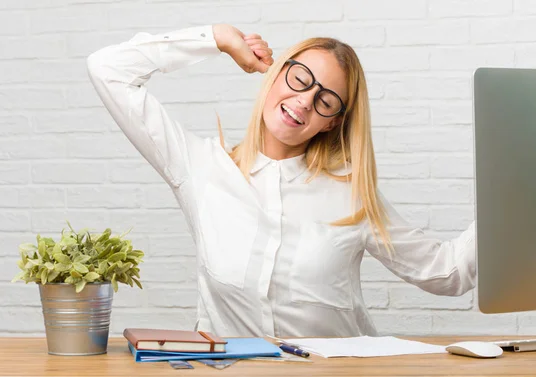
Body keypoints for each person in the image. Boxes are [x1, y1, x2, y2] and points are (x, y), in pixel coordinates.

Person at [87, 23, 476, 337]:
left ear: (333, 121)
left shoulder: (352, 194)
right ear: (274, 75)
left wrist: (514, 196)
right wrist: (217, 39)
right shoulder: (202, 167)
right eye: (299, 78)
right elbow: (108, 68)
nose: (305, 101)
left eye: (326, 100)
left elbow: (449, 272)